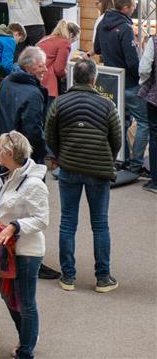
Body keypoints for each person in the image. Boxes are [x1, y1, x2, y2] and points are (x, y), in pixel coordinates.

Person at [45, 58, 121, 291]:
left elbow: (50, 134)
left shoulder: (60, 103)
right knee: (100, 224)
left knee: (67, 222)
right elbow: (116, 139)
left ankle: (68, 277)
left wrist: (60, 155)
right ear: (94, 79)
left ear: (72, 77)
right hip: (98, 170)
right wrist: (107, 157)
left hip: (69, 168)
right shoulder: (107, 106)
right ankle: (103, 277)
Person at [0, 132, 49, 359]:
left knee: (25, 302)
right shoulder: (7, 175)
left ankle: (26, 350)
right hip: (1, 247)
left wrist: (15, 227)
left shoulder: (34, 184)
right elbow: (0, 202)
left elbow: (42, 219)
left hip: (26, 252)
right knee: (10, 299)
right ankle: (25, 337)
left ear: (9, 153)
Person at [95, 0, 149, 175]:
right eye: (133, 5)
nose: (135, 8)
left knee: (120, 122)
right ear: (126, 8)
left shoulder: (103, 22)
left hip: (112, 82)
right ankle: (135, 165)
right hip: (131, 83)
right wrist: (142, 80)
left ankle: (121, 159)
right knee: (144, 122)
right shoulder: (125, 28)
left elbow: (96, 48)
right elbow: (133, 61)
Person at [0, 47, 49, 164]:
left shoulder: (6, 81)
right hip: (24, 154)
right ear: (27, 67)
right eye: (41, 66)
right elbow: (33, 130)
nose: (45, 69)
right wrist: (42, 152)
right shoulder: (33, 93)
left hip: (6, 147)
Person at [36, 20, 80, 101]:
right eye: (74, 40)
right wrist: (68, 75)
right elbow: (59, 69)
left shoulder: (45, 38)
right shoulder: (64, 43)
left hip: (35, 80)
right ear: (71, 35)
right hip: (48, 83)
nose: (72, 43)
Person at [137, 30, 157, 193]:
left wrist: (144, 82)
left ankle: (156, 181)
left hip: (155, 96)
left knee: (155, 136)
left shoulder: (154, 40)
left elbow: (144, 68)